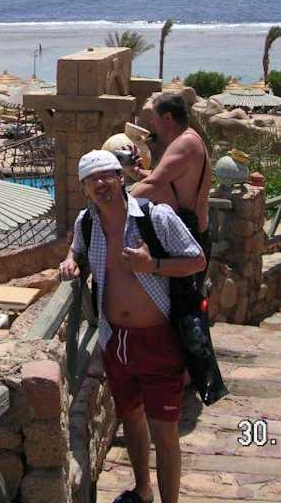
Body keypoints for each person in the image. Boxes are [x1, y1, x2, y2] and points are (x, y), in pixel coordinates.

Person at [60, 150, 205, 503]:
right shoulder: (87, 222)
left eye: (106, 175)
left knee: (165, 432)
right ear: (84, 188)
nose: (100, 183)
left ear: (121, 177)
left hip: (158, 339)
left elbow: (196, 260)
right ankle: (143, 489)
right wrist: (70, 260)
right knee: (131, 418)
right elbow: (77, 249)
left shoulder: (157, 217)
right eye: (91, 179)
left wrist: (152, 264)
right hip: (115, 340)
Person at [129, 92, 212, 262]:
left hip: (187, 237)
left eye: (154, 117)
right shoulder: (189, 138)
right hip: (191, 232)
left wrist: (113, 207)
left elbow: (152, 184)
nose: (152, 122)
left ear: (167, 118)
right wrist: (136, 171)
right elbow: (167, 179)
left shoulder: (184, 143)